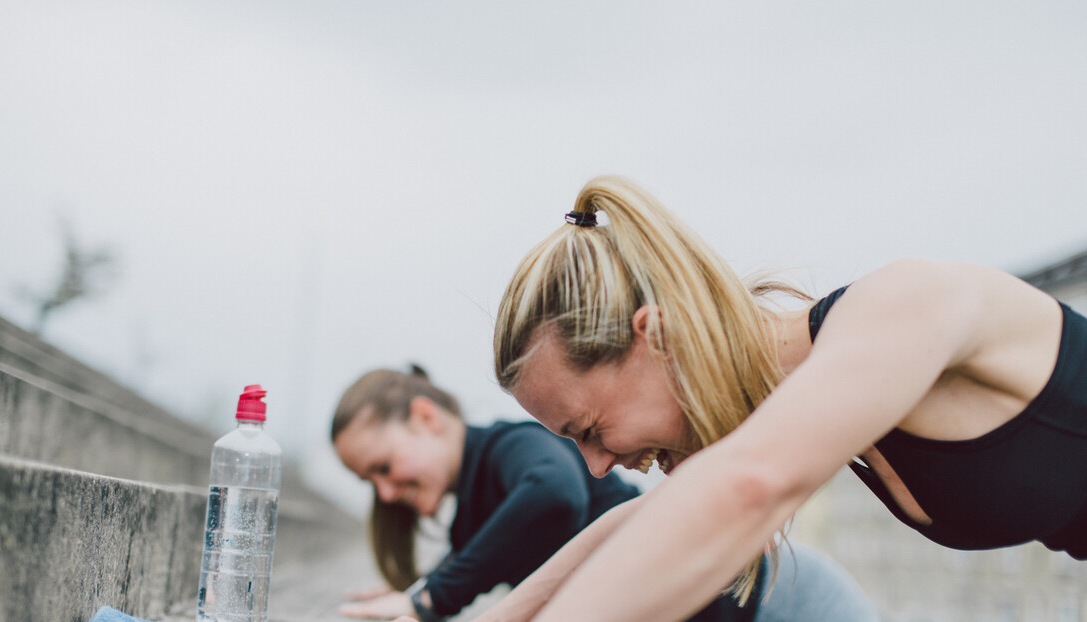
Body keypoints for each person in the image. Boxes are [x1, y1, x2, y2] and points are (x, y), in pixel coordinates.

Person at [447, 175, 1087, 622]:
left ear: (655, 336)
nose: (594, 465)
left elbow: (746, 486)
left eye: (588, 427)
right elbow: (646, 522)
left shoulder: (905, 306)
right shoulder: (801, 402)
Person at [331, 366, 877, 621]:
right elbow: (479, 562)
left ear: (426, 418)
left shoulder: (511, 447)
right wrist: (418, 590)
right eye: (368, 483)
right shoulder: (474, 518)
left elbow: (553, 496)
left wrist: (430, 598)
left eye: (383, 465)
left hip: (782, 603)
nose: (384, 490)